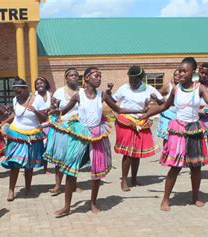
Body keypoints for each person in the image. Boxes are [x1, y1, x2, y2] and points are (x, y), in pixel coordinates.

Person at [48, 66, 147, 217]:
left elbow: (119, 110)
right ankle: (67, 206)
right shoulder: (78, 95)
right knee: (70, 170)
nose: (99, 78)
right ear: (87, 78)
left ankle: (93, 203)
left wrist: (140, 111)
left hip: (97, 134)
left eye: (100, 76)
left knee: (96, 172)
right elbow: (63, 112)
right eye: (96, 76)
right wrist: (55, 110)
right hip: (80, 134)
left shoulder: (102, 96)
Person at [141, 57, 208, 211]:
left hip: (194, 129)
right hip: (178, 129)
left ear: (193, 72)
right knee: (175, 166)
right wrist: (148, 114)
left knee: (196, 167)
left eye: (185, 71)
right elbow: (165, 105)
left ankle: (195, 196)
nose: (181, 73)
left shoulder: (200, 88)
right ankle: (166, 199)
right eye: (180, 70)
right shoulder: (176, 89)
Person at [110, 65, 163, 191]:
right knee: (128, 153)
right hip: (126, 122)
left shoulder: (149, 89)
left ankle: (134, 178)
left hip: (141, 122)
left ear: (141, 78)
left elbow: (163, 103)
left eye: (135, 79)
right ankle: (124, 180)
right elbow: (112, 101)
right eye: (130, 79)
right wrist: (108, 94)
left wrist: (156, 100)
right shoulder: (124, 88)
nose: (132, 82)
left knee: (136, 153)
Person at [1, 78, 49, 202]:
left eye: (19, 92)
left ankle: (28, 188)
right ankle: (11, 190)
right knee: (14, 163)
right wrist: (3, 123)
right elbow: (16, 114)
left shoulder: (37, 99)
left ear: (26, 89)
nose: (17, 94)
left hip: (33, 135)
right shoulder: (15, 99)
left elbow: (44, 118)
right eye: (15, 92)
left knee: (30, 164)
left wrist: (36, 111)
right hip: (17, 134)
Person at [44, 67, 83, 195]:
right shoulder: (59, 92)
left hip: (78, 129)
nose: (74, 77)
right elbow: (53, 108)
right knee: (60, 158)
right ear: (66, 78)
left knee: (74, 157)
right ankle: (57, 185)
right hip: (62, 128)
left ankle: (73, 184)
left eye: (76, 75)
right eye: (71, 75)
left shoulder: (82, 92)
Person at [34, 76, 52, 174]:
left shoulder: (50, 95)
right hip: (37, 122)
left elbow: (54, 106)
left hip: (49, 122)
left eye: (41, 83)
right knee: (35, 145)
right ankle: (30, 167)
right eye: (37, 84)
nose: (39, 85)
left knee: (46, 145)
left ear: (45, 84)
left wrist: (50, 109)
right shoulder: (34, 96)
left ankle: (45, 168)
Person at [157, 69, 179, 147]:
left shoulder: (183, 87)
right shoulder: (168, 86)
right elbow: (157, 95)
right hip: (167, 115)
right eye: (175, 75)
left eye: (178, 75)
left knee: (177, 137)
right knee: (167, 137)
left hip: (177, 115)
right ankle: (165, 155)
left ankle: (173, 155)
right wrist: (164, 101)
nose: (177, 77)